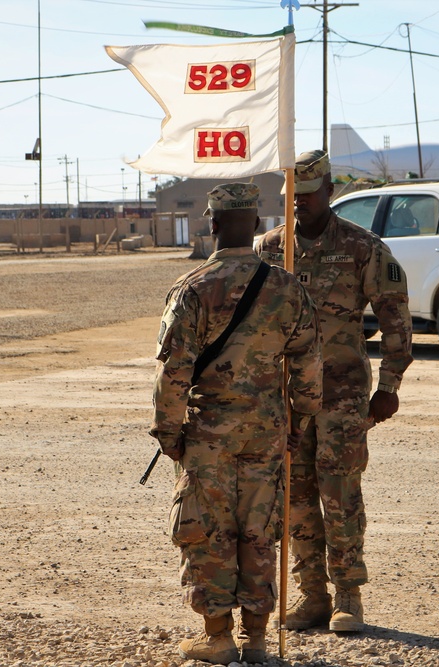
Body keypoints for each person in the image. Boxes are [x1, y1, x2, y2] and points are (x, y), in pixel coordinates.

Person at [150, 183, 322, 665]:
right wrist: (301, 418)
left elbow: (173, 371)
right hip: (266, 431)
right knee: (260, 529)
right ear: (260, 226)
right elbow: (309, 362)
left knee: (209, 530)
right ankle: (259, 639)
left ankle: (218, 636)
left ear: (212, 224)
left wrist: (168, 432)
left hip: (209, 433)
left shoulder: (193, 289)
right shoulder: (287, 288)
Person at [255, 150, 413, 632]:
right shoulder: (270, 249)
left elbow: (396, 321)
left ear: (328, 191)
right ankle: (312, 596)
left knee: (340, 491)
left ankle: (349, 595)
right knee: (296, 496)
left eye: (306, 195)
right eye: (291, 197)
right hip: (287, 397)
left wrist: (389, 386)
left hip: (343, 394)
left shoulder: (362, 247)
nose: (298, 204)